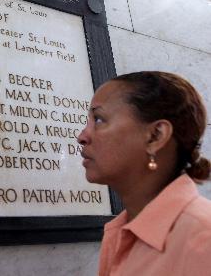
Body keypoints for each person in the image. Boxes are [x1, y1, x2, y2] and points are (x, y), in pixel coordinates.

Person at [77, 71, 211, 276]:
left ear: (155, 136)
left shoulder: (203, 240)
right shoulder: (119, 233)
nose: (82, 136)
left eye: (99, 119)